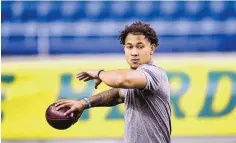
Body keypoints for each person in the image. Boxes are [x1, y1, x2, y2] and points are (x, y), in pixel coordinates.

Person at [55, 21, 171, 143]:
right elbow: (117, 95)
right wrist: (84, 103)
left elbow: (120, 80)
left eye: (140, 46)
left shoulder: (154, 73)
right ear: (124, 48)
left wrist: (99, 73)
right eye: (129, 46)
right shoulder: (136, 79)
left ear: (152, 48)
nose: (134, 52)